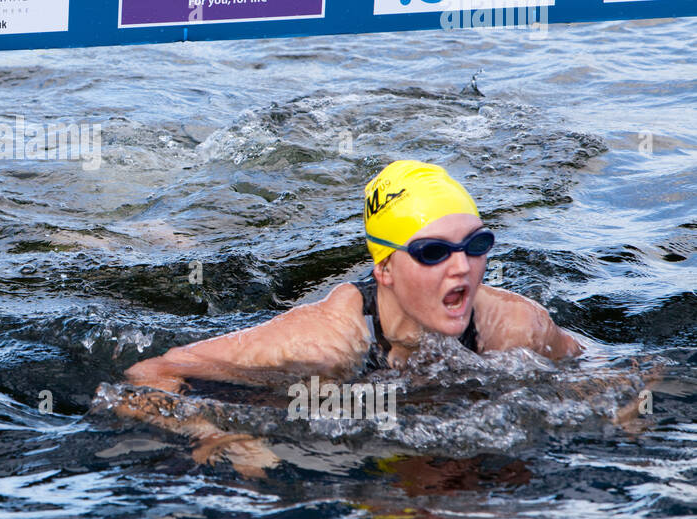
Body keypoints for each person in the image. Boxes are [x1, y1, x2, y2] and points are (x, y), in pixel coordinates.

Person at [105, 160, 585, 474]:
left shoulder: (514, 325)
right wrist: (221, 435)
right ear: (385, 268)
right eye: (434, 252)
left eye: (475, 245)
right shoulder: (321, 344)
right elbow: (149, 375)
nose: (462, 266)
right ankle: (132, 234)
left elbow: (597, 367)